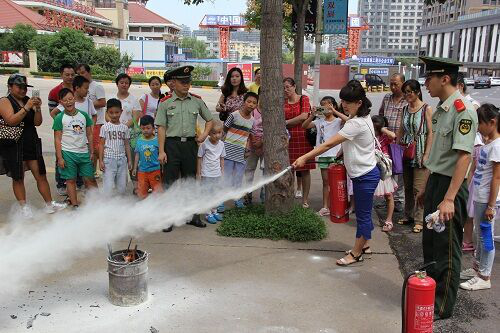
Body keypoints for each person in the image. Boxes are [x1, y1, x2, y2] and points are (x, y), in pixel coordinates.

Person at [293, 80, 380, 266]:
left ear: (359, 103)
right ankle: (364, 246)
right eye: (343, 102)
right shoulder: (362, 119)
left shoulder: (356, 123)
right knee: (363, 214)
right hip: (364, 173)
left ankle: (356, 253)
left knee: (363, 216)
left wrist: (304, 157)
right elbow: (349, 141)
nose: (344, 105)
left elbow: (328, 144)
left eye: (348, 102)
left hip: (364, 176)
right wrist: (341, 155)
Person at [418, 57, 478, 319]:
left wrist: (449, 198)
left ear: (444, 79)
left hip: (449, 188)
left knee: (447, 248)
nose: (426, 84)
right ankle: (428, 293)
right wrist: (427, 186)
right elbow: (440, 155)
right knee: (430, 243)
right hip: (437, 182)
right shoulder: (443, 108)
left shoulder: (462, 109)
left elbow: (464, 157)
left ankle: (442, 306)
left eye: (429, 78)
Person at [155, 65, 214, 231]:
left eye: (188, 82)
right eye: (182, 82)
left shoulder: (196, 100)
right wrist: (161, 151)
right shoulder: (165, 103)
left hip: (190, 145)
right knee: (170, 182)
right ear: (174, 83)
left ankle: (194, 216)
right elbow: (161, 127)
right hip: (171, 145)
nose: (186, 85)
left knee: (190, 180)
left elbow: (209, 120)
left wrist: (204, 135)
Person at [0, 75, 66, 217]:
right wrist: (27, 107)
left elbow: (37, 123)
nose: (23, 90)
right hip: (14, 145)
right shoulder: (5, 101)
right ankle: (24, 207)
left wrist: (37, 108)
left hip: (31, 142)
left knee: (41, 174)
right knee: (18, 177)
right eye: (19, 87)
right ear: (10, 87)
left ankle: (49, 204)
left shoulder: (27, 101)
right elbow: (11, 121)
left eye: (25, 87)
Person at [460, 104, 499, 291]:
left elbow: (497, 178)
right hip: (480, 196)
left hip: (487, 200)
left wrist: (491, 205)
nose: (478, 127)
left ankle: (485, 276)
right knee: (480, 235)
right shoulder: (488, 143)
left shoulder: (497, 147)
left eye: (480, 123)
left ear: (492, 123)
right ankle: (477, 269)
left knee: (486, 237)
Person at [396, 79, 433, 233]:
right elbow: (400, 130)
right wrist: (396, 149)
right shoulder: (404, 109)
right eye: (405, 92)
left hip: (420, 152)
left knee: (419, 189)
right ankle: (408, 215)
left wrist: (426, 154)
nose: (407, 95)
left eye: (410, 92)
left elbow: (431, 132)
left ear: (417, 92)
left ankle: (419, 219)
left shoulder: (426, 109)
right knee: (408, 186)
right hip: (406, 151)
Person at [302, 96, 348, 216]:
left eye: (328, 105)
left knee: (337, 182)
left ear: (333, 106)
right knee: (326, 182)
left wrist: (335, 111)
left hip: (336, 155)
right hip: (323, 155)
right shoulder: (319, 122)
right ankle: (325, 206)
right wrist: (312, 114)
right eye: (322, 105)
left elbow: (348, 120)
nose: (325, 107)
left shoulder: (338, 121)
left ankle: (338, 205)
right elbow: (304, 126)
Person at [53, 88, 98, 208]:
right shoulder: (59, 118)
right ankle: (75, 205)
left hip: (84, 152)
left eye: (70, 99)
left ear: (74, 99)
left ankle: (98, 203)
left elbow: (89, 134)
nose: (68, 102)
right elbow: (57, 139)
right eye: (65, 100)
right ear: (61, 102)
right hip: (68, 153)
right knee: (70, 180)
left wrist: (92, 151)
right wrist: (60, 158)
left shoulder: (83, 115)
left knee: (90, 179)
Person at [217, 92, 256, 212]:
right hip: (228, 151)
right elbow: (224, 129)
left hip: (241, 153)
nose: (251, 105)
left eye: (254, 103)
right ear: (243, 102)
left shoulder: (252, 120)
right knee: (226, 177)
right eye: (249, 101)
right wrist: (221, 148)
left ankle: (237, 200)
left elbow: (250, 136)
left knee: (238, 178)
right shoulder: (234, 115)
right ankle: (220, 202)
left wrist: (248, 149)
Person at [48, 64, 80, 195]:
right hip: (63, 131)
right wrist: (63, 124)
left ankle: (78, 182)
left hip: (78, 130)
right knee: (61, 157)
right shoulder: (54, 92)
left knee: (77, 155)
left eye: (72, 74)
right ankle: (61, 184)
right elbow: (52, 113)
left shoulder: (77, 89)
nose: (70, 77)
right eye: (67, 74)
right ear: (61, 74)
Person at [283, 77, 315, 208]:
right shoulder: (282, 102)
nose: (286, 90)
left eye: (288, 87)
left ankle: (305, 200)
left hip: (303, 138)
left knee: (305, 170)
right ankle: (289, 197)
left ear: (294, 86)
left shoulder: (304, 99)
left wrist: (286, 123)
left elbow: (304, 116)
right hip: (287, 140)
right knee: (289, 170)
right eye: (283, 88)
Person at [379, 73, 407, 211]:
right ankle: (388, 197)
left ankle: (399, 200)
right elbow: (381, 115)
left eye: (396, 84)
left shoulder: (407, 100)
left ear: (403, 83)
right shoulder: (386, 98)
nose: (393, 86)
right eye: (391, 83)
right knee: (386, 169)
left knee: (399, 170)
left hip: (400, 142)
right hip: (385, 141)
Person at [75, 64, 106, 175]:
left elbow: (103, 102)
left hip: (96, 123)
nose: (81, 75)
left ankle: (92, 171)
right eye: (78, 73)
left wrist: (86, 104)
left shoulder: (96, 86)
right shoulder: (77, 88)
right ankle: (88, 171)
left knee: (95, 148)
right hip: (82, 125)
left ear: (89, 72)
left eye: (83, 72)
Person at [99, 98, 132, 196]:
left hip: (122, 160)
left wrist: (129, 160)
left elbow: (127, 144)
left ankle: (118, 205)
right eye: (111, 112)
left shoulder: (124, 128)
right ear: (107, 112)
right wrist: (100, 160)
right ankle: (106, 205)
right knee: (108, 187)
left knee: (122, 187)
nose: (114, 115)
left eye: (117, 112)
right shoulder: (105, 127)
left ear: (121, 112)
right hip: (109, 160)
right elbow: (101, 144)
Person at [115, 73, 141, 193]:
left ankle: (136, 186)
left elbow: (136, 117)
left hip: (130, 136)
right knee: (117, 162)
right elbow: (107, 115)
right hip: (114, 136)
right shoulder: (112, 98)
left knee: (132, 160)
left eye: (126, 83)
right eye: (122, 82)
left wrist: (123, 127)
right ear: (117, 84)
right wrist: (117, 128)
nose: (124, 85)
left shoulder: (133, 99)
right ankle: (119, 188)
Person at [372, 115, 398, 232]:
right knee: (368, 194)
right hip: (371, 167)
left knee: (388, 195)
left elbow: (393, 136)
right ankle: (366, 220)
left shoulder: (384, 136)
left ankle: (389, 220)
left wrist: (382, 129)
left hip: (384, 169)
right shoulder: (369, 136)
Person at [197, 121, 225, 223]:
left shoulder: (222, 144)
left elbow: (222, 158)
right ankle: (208, 213)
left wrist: (222, 171)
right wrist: (199, 173)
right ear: (208, 133)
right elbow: (199, 158)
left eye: (219, 132)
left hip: (217, 173)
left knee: (215, 193)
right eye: (214, 133)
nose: (217, 135)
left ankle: (214, 211)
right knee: (207, 194)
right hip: (207, 173)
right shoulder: (204, 145)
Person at [462, 133, 485, 252]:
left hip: (487, 188)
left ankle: (482, 248)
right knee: (469, 214)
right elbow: (472, 170)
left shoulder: (494, 146)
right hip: (475, 185)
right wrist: (468, 187)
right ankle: (468, 241)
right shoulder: (477, 146)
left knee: (484, 219)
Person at [133, 115, 163, 199]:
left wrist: (162, 167)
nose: (145, 130)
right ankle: (144, 208)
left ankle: (158, 207)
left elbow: (161, 154)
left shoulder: (157, 140)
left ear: (153, 128)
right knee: (142, 191)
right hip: (142, 171)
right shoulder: (139, 141)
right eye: (143, 128)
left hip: (155, 170)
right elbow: (137, 154)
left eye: (148, 128)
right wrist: (135, 168)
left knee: (158, 192)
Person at [244, 88, 264, 205]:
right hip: (252, 145)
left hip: (266, 145)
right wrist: (253, 141)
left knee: (265, 171)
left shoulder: (272, 110)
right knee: (249, 170)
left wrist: (262, 141)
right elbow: (248, 126)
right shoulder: (253, 110)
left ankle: (264, 197)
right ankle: (247, 195)